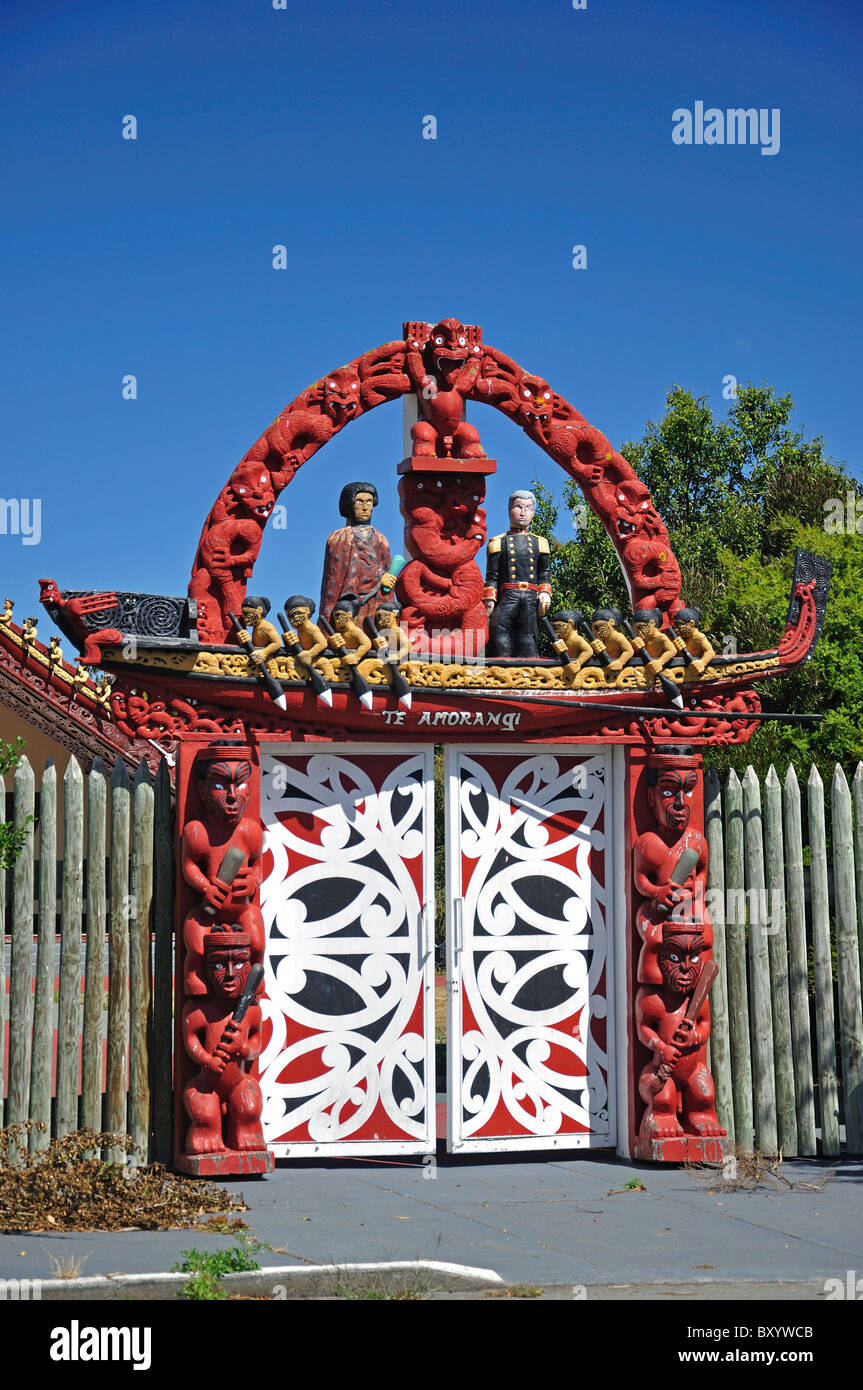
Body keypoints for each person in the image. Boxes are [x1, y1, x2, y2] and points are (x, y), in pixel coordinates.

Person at [483, 490, 551, 658]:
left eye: (528, 508)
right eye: (518, 507)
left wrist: (545, 593)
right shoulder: (498, 542)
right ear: (509, 510)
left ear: (533, 513)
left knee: (528, 634)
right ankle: (501, 663)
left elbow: (544, 573)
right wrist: (490, 600)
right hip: (508, 595)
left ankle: (529, 667)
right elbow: (492, 576)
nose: (523, 512)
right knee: (499, 628)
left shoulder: (540, 543)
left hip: (530, 595)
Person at [320, 482, 392, 626]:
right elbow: (335, 580)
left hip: (376, 604)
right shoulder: (340, 537)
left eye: (369, 502)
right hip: (347, 607)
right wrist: (379, 577)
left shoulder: (380, 538)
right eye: (359, 501)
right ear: (349, 504)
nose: (365, 507)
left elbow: (388, 576)